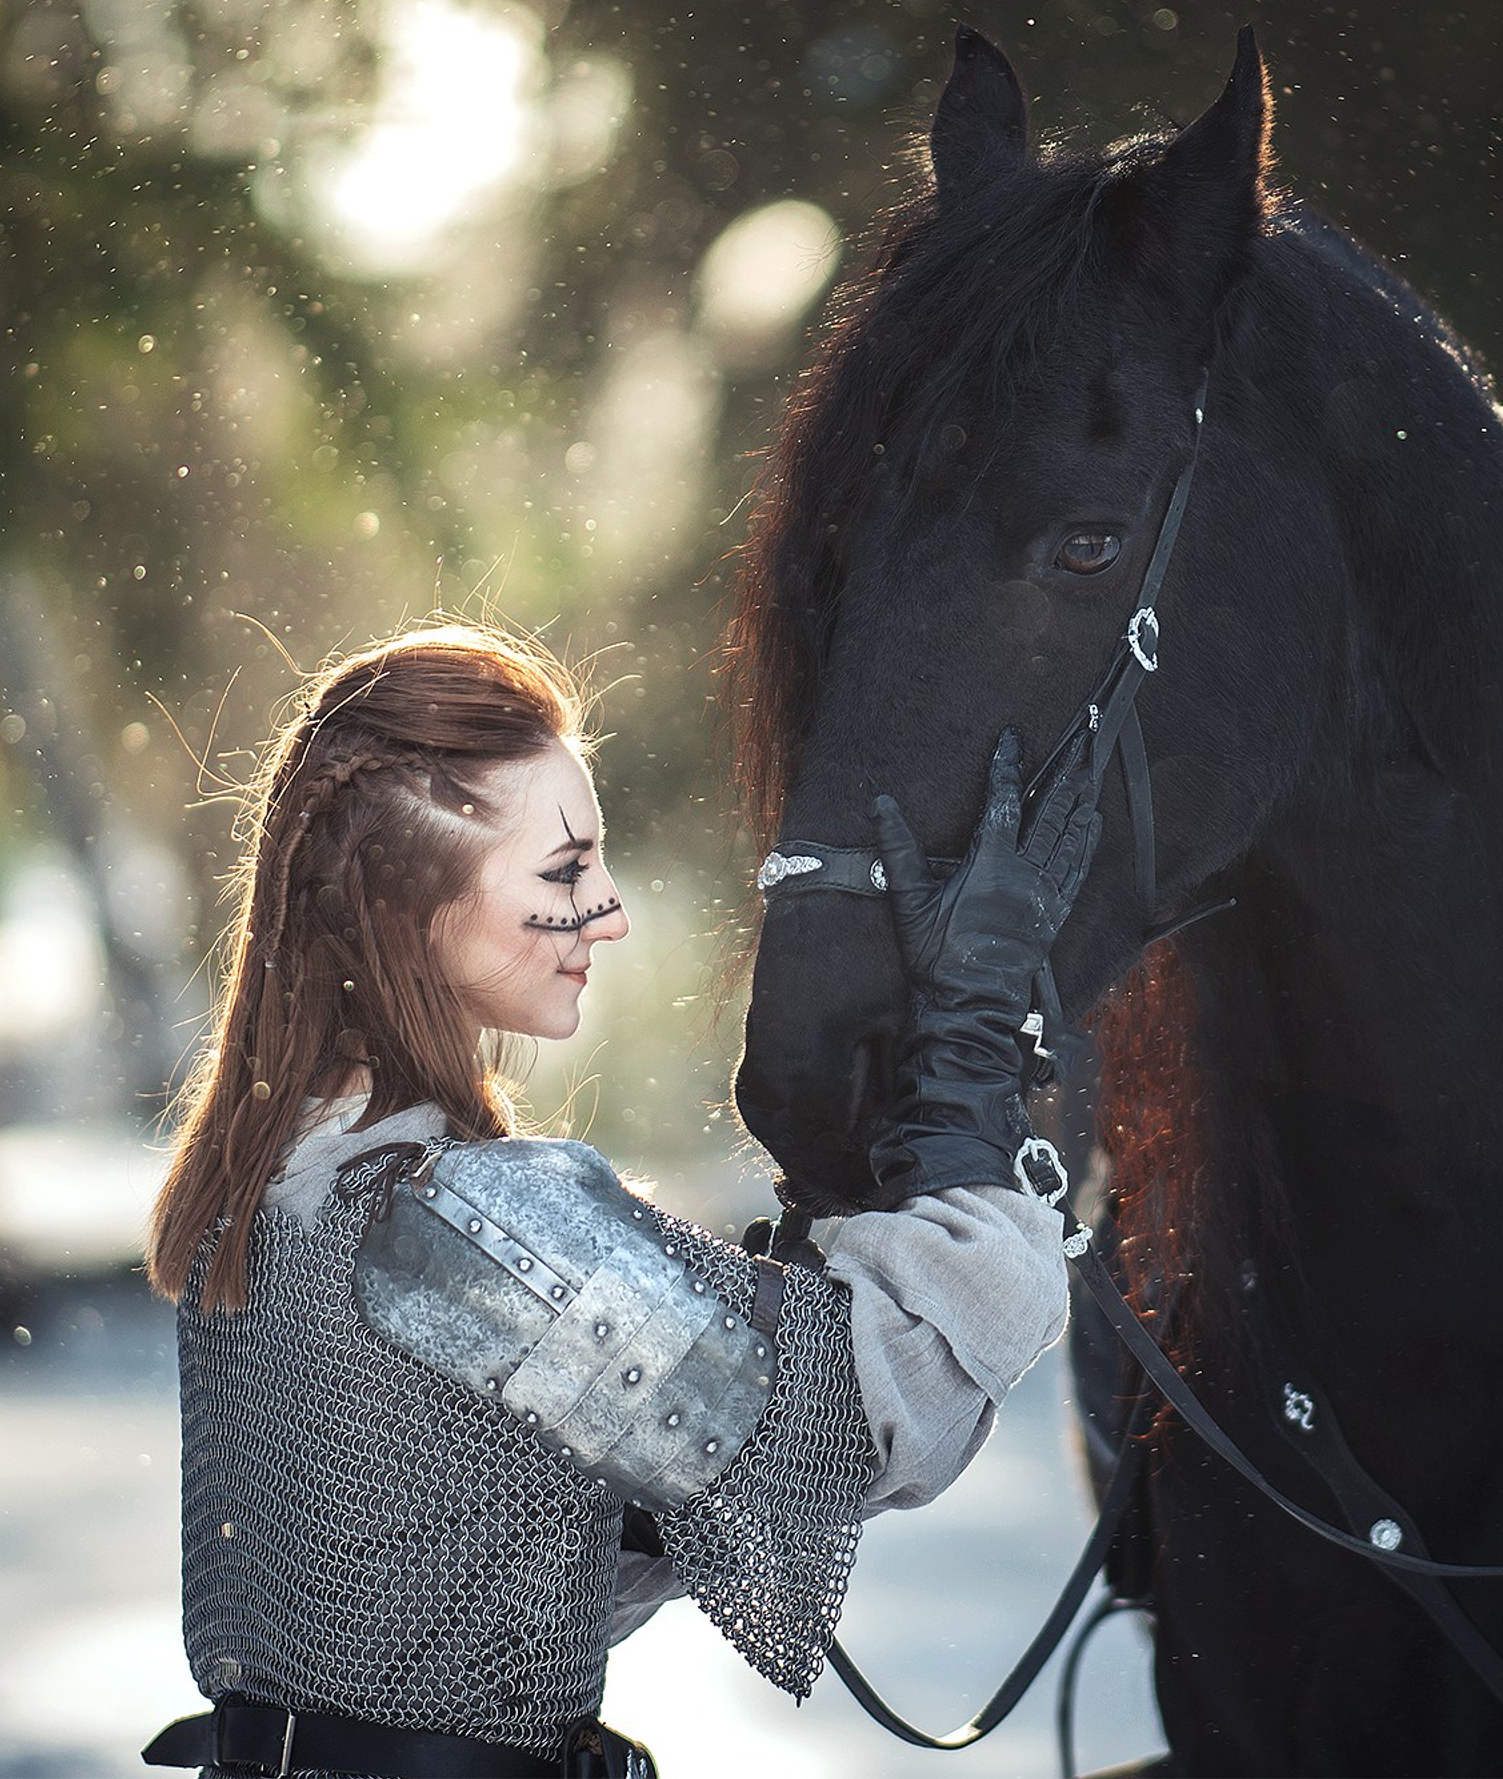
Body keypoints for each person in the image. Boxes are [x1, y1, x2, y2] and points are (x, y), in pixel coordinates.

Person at [142, 622, 1099, 1779]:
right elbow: (869, 1418)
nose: (609, 912)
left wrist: (678, 1449)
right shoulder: (458, 1225)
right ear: (404, 897)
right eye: (563, 871)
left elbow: (447, 1602)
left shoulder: (267, 1197)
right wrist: (970, 1052)